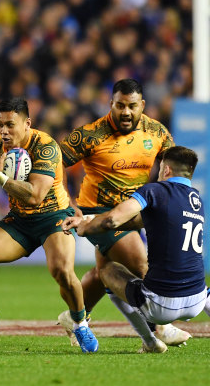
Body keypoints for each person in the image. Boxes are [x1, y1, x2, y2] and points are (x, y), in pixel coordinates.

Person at [63, 146, 210, 354]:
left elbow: (112, 220)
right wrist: (88, 219)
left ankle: (149, 341)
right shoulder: (195, 199)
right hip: (195, 302)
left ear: (166, 170)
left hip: (160, 305)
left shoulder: (154, 191)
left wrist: (85, 228)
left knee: (107, 271)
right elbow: (136, 222)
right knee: (208, 294)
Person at [0, 97, 98, 353]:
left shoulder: (46, 146)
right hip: (20, 221)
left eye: (10, 125)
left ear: (27, 123)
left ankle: (80, 324)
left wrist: (1, 178)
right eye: (0, 125)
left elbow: (35, 195)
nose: (4, 131)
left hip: (54, 217)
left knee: (62, 271)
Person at [57, 78, 190, 347]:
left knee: (104, 271)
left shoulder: (158, 133)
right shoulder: (89, 135)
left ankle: (75, 317)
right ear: (111, 104)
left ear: (142, 105)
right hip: (98, 213)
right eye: (120, 105)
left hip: (133, 210)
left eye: (131, 106)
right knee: (141, 265)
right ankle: (159, 327)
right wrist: (67, 200)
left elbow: (172, 170)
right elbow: (53, 163)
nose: (125, 112)